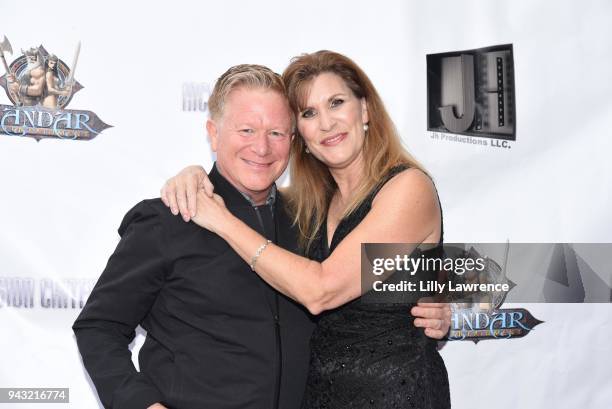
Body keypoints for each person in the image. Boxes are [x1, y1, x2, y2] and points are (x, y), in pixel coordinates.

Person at [161, 50, 451, 408]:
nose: (326, 123)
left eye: (336, 102)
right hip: (318, 396)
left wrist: (220, 219)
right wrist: (194, 177)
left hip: (396, 395)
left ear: (365, 110)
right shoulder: (308, 205)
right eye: (309, 113)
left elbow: (321, 289)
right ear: (299, 133)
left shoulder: (408, 187)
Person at [74, 64, 317, 409]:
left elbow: (359, 285)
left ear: (292, 141)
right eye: (246, 130)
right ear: (213, 134)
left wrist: (423, 302)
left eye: (277, 133)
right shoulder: (167, 219)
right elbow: (98, 327)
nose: (262, 147)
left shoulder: (309, 223)